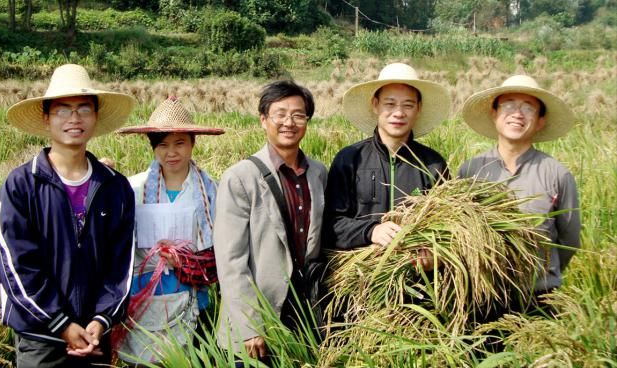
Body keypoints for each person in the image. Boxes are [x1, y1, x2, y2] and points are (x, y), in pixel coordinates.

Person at [0, 63, 136, 367]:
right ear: (46, 119)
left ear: (95, 117)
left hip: (95, 335)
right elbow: (16, 267)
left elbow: (121, 266)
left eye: (84, 109)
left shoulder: (115, 187)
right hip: (40, 338)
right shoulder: (21, 185)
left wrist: (101, 319)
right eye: (62, 110)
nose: (74, 118)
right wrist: (61, 324)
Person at [213, 80, 327, 362]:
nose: (289, 122)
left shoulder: (319, 173)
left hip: (303, 319)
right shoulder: (240, 177)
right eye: (280, 113)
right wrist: (250, 325)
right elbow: (231, 262)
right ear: (264, 120)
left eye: (298, 115)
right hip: (256, 323)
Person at [458, 75, 581, 312]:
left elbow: (569, 241)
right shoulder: (470, 171)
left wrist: (544, 271)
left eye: (528, 107)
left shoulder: (557, 174)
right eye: (509, 105)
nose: (517, 114)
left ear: (540, 121)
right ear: (494, 113)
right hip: (483, 296)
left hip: (539, 298)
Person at [115, 97, 223, 363]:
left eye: (179, 143)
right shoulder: (133, 188)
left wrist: (184, 260)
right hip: (143, 296)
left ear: (192, 143)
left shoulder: (211, 192)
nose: (171, 152)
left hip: (189, 295)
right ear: (152, 147)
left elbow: (221, 247)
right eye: (162, 144)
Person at [324, 63, 450, 264]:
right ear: (375, 105)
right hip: (360, 280)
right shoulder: (349, 159)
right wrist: (370, 231)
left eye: (408, 105)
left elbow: (447, 227)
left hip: (416, 285)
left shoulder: (433, 164)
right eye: (390, 104)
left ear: (418, 109)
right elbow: (331, 225)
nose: (398, 113)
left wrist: (433, 258)